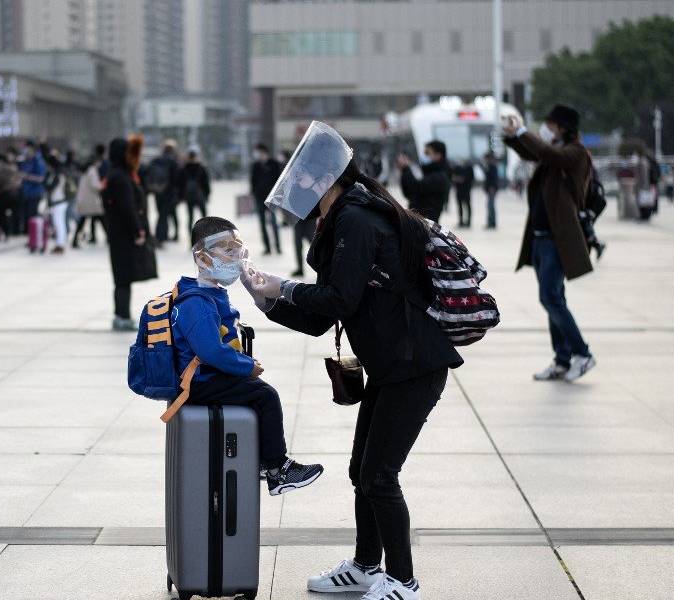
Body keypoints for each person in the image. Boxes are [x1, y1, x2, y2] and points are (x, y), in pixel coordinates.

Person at [241, 121, 463, 600]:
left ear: (323, 177)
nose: (295, 184)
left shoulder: (357, 220)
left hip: (414, 366)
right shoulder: (343, 218)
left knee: (380, 476)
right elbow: (324, 318)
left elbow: (337, 299)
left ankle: (403, 582)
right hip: (391, 365)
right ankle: (366, 566)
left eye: (301, 175)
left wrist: (285, 286)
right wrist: (269, 302)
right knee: (361, 471)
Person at [179, 217, 324, 494]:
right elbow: (210, 350)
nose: (235, 259)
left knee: (256, 395)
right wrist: (246, 367)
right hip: (201, 383)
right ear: (202, 258)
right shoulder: (197, 301)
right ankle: (278, 469)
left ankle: (262, 459)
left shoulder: (208, 293)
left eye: (237, 250)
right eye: (227, 251)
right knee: (264, 395)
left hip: (207, 378)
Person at [503, 105, 595, 382]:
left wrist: (522, 131)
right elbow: (534, 152)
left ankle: (583, 353)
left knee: (550, 298)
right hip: (542, 239)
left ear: (563, 128)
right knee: (555, 298)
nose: (547, 129)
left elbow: (548, 153)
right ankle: (562, 360)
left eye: (551, 125)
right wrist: (513, 136)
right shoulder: (554, 153)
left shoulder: (574, 153)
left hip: (558, 240)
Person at [102, 135, 156, 330]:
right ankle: (122, 317)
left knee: (122, 277)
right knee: (123, 277)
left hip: (118, 233)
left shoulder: (115, 174)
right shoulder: (121, 178)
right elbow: (127, 208)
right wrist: (138, 231)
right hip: (124, 235)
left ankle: (122, 315)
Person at [398, 140, 451, 222]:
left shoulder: (440, 176)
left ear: (438, 155)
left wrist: (406, 169)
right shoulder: (428, 172)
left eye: (427, 153)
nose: (424, 156)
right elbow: (409, 194)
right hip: (419, 221)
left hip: (426, 224)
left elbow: (416, 188)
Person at [249, 143, 283, 255]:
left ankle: (278, 247)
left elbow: (279, 180)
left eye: (258, 152)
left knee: (273, 223)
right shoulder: (256, 166)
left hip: (271, 198)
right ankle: (267, 247)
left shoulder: (274, 164)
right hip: (259, 198)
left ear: (264, 152)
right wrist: (253, 193)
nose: (257, 155)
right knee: (262, 223)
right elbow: (252, 181)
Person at [146, 140, 181, 245]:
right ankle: (160, 237)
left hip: (158, 191)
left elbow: (148, 173)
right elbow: (177, 179)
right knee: (164, 215)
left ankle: (162, 235)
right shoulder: (173, 162)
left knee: (161, 214)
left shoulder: (156, 160)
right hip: (169, 192)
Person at [73, 144, 106, 248]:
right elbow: (95, 185)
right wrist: (103, 184)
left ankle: (75, 240)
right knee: (102, 219)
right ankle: (110, 238)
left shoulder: (85, 171)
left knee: (83, 221)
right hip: (91, 201)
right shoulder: (92, 171)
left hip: (84, 200)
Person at [179, 149, 211, 240]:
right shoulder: (201, 168)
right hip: (200, 196)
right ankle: (205, 238)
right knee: (204, 218)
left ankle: (192, 240)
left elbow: (180, 184)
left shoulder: (184, 168)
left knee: (190, 218)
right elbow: (206, 183)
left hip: (189, 196)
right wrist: (207, 195)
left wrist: (181, 197)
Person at [18, 139, 47, 233]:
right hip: (26, 192)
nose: (24, 150)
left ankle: (34, 235)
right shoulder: (26, 160)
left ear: (31, 148)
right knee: (26, 215)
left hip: (35, 192)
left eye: (26, 148)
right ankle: (30, 235)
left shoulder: (38, 161)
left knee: (32, 215)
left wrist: (26, 177)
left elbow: (41, 178)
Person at [451, 160, 475, 228]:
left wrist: (459, 179)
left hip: (466, 191)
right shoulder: (457, 168)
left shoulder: (469, 169)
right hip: (460, 191)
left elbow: (467, 179)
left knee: (467, 206)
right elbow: (453, 177)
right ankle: (461, 221)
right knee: (461, 206)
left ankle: (468, 222)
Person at [482, 152, 500, 229]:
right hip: (490, 189)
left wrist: (492, 188)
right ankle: (491, 222)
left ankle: (491, 223)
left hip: (491, 189)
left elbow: (493, 178)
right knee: (490, 206)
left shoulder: (492, 166)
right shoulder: (491, 165)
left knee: (490, 206)